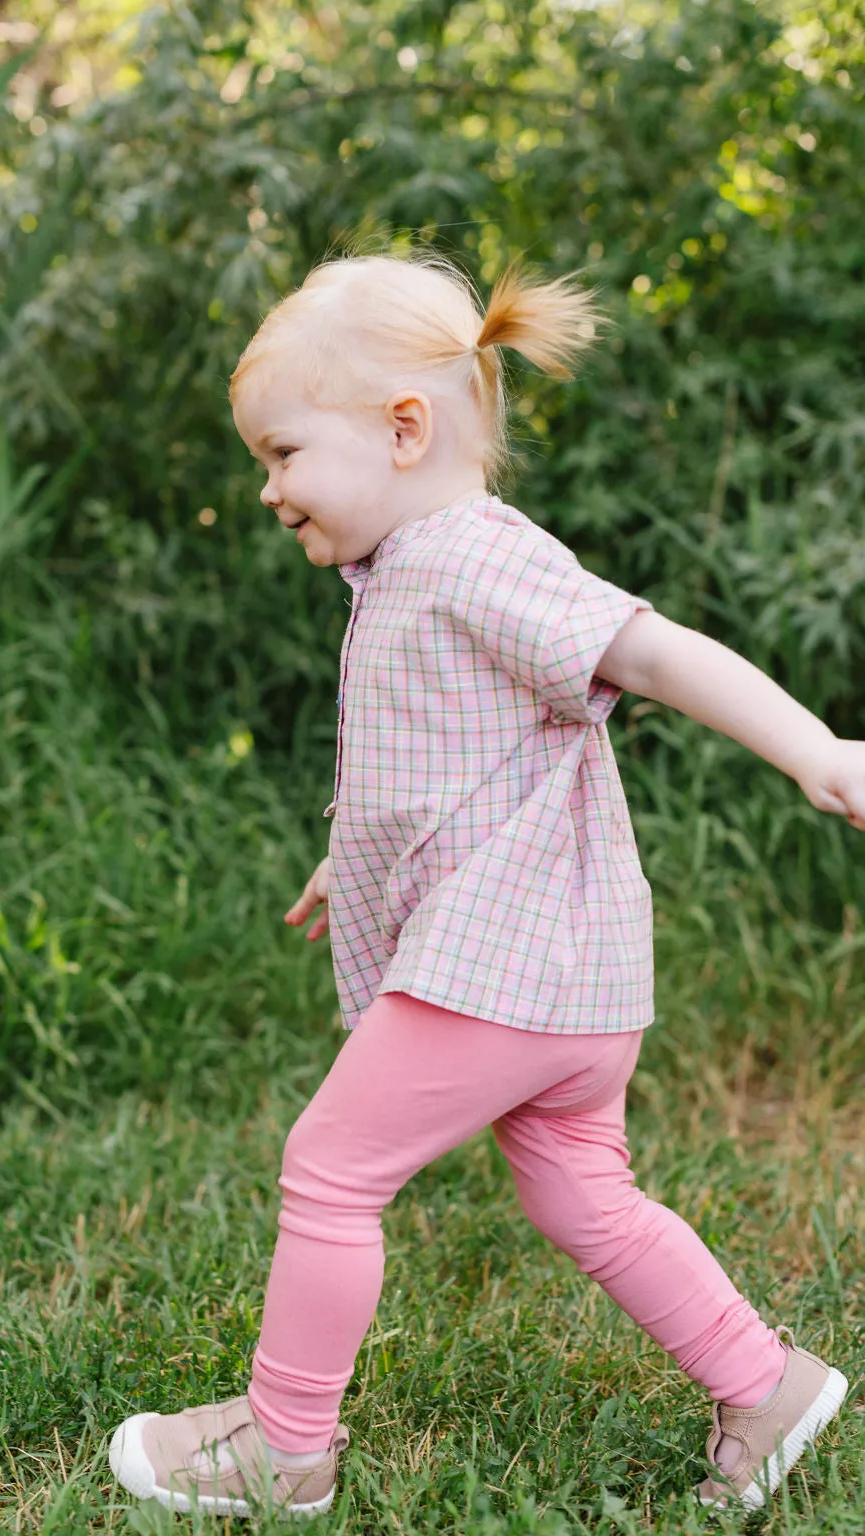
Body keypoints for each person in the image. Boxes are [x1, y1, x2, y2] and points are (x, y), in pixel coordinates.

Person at [109, 251, 862, 1519]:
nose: (265, 487)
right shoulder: (415, 569)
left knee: (331, 1172)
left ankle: (285, 1449)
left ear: (403, 428)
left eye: (283, 452)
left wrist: (818, 751)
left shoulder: (470, 557)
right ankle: (763, 1382)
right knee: (583, 1192)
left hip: (500, 964)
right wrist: (342, 860)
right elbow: (441, 762)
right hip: (571, 980)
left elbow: (656, 650)